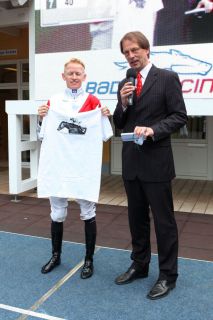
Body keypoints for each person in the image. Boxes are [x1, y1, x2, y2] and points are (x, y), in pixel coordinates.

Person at [113, 31, 187, 300]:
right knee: (136, 219)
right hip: (131, 162)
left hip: (156, 162)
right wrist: (121, 103)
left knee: (164, 223)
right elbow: (119, 122)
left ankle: (168, 275)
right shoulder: (125, 82)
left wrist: (153, 130)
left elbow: (179, 116)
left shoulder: (167, 78)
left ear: (146, 50)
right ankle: (140, 265)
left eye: (134, 50)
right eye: (126, 52)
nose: (130, 56)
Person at [38, 58, 111, 279]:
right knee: (57, 213)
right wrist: (41, 117)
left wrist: (104, 115)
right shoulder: (53, 102)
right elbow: (42, 134)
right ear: (63, 76)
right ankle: (56, 255)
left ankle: (89, 260)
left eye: (78, 73)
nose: (74, 77)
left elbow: (106, 135)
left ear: (84, 76)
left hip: (82, 166)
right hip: (59, 165)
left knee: (88, 212)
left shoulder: (93, 102)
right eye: (70, 73)